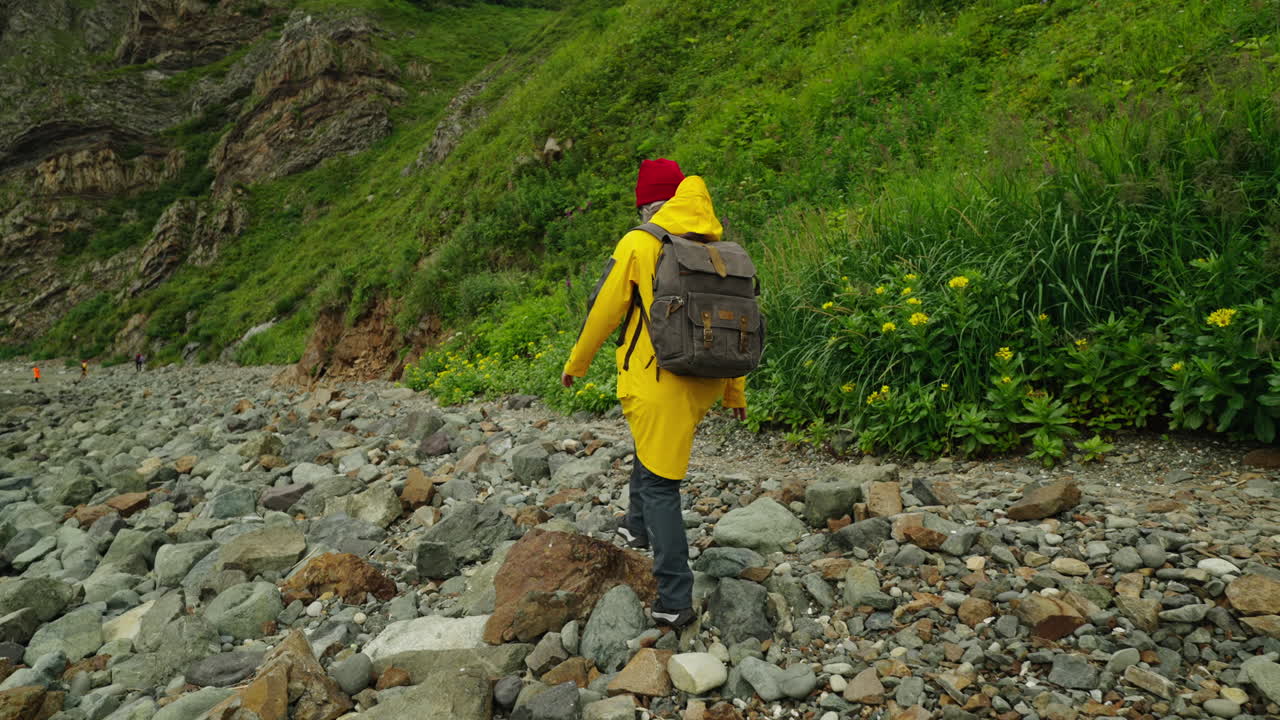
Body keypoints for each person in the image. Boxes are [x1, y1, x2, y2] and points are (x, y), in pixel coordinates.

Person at [561, 158, 747, 629]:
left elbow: (603, 309)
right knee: (653, 446)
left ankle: (674, 599)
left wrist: (576, 363)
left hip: (660, 378)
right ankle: (636, 526)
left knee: (663, 484)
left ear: (646, 206)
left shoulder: (640, 243)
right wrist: (734, 391)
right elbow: (736, 322)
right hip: (705, 379)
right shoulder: (718, 249)